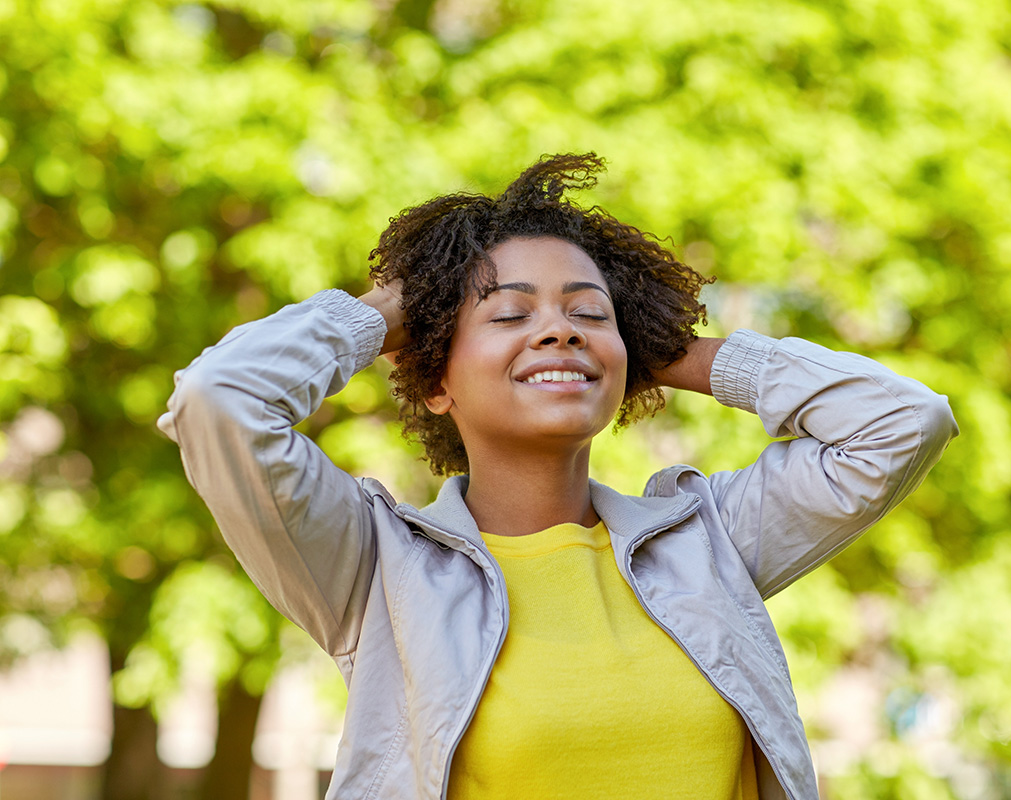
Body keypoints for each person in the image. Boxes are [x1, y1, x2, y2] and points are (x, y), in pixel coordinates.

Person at [159, 153, 958, 800]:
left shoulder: (708, 544)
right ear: (437, 382)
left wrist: (662, 345)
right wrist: (400, 308)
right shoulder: (374, 570)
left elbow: (900, 424)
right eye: (509, 315)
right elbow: (221, 400)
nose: (556, 331)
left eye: (588, 313)